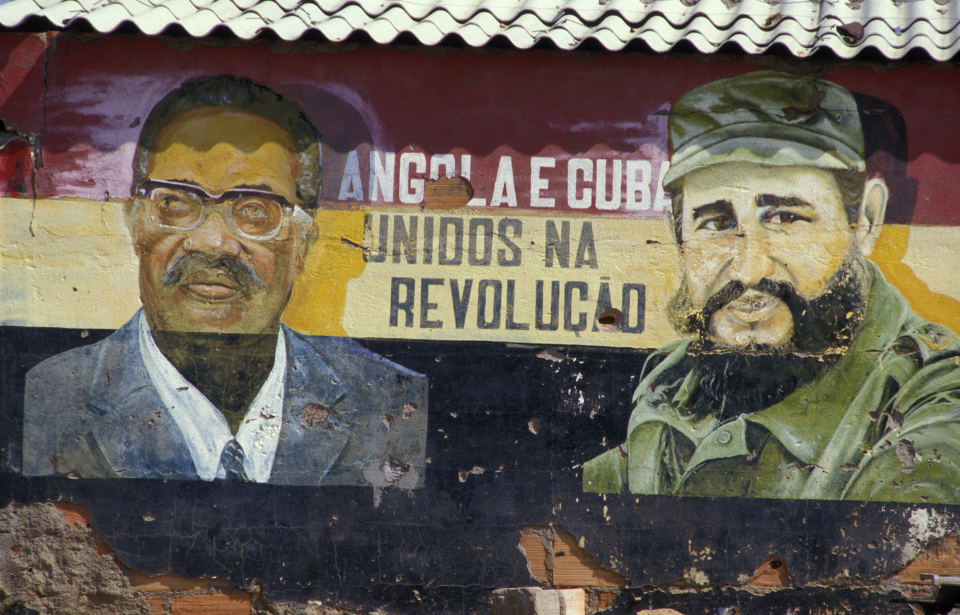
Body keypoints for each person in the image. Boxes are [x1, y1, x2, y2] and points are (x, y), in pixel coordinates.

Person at [22, 76, 427, 487]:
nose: (213, 243)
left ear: (303, 245)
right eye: (176, 202)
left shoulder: (387, 402)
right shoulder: (50, 398)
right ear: (136, 225)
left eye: (254, 209)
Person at [583, 71, 960, 503]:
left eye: (784, 218)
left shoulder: (933, 399)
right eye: (715, 223)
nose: (748, 268)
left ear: (866, 220)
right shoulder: (669, 384)